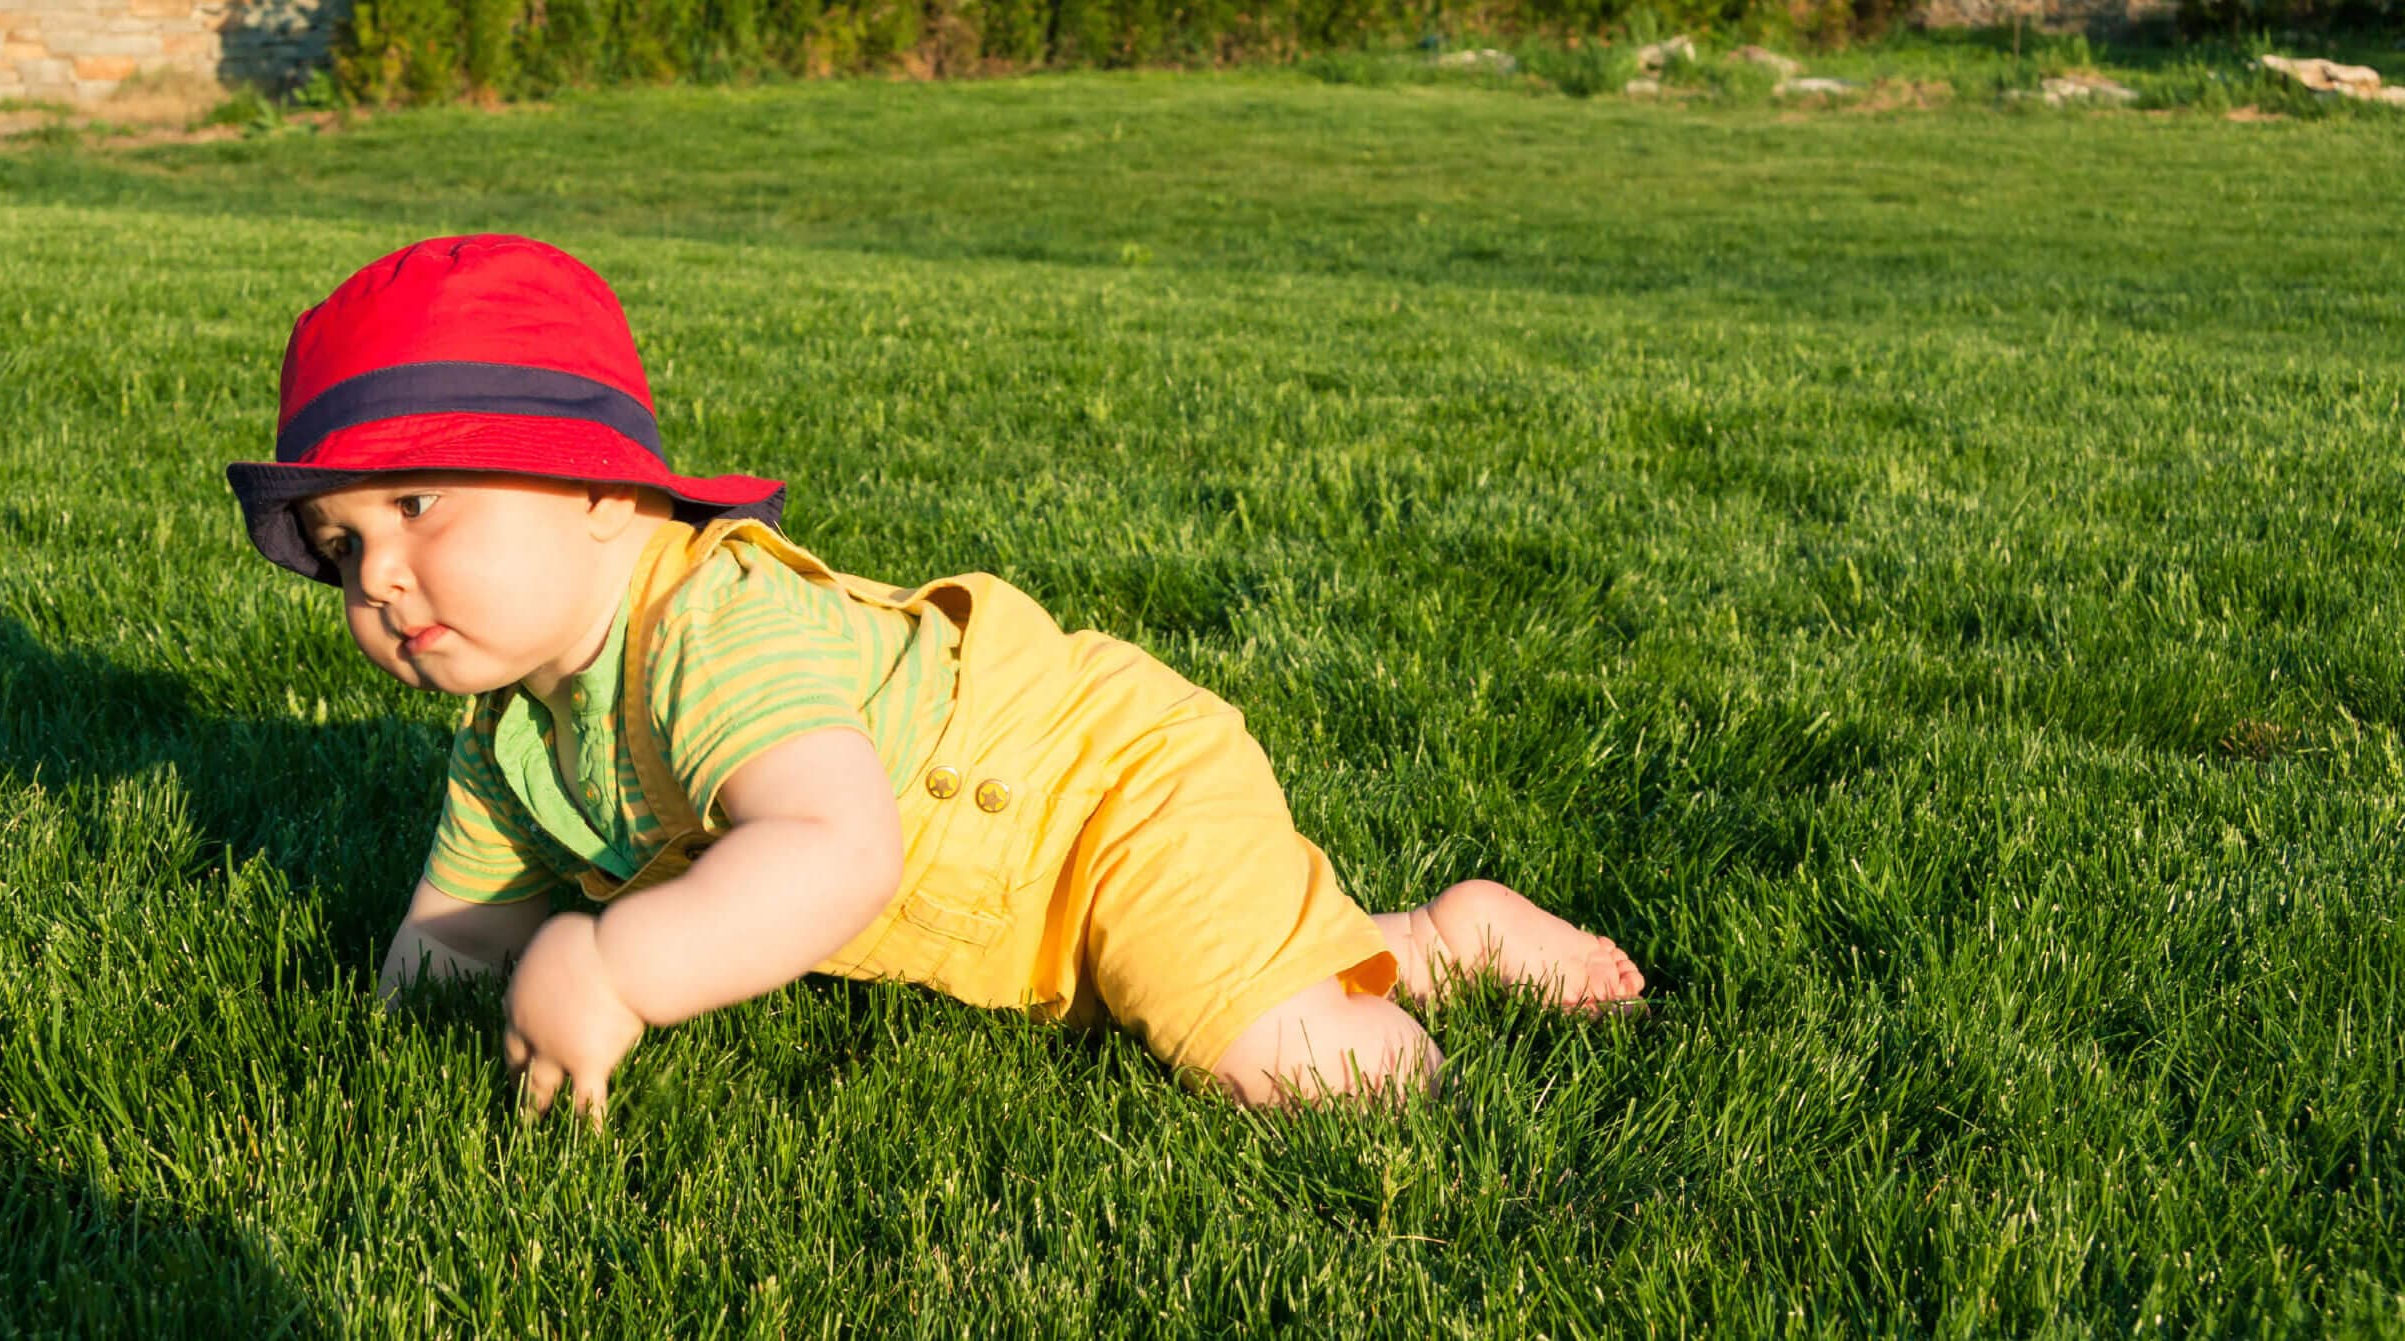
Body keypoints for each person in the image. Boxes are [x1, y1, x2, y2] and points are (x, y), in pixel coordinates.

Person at [226, 235, 1644, 1121]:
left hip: (1105, 794)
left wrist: (611, 961)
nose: (378, 579)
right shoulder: (511, 739)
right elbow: (459, 932)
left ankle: (1428, 1063)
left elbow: (832, 852)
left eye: (418, 508)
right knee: (1137, 985)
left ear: (605, 495)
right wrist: (402, 1026)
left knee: (1276, 1061)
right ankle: (1448, 937)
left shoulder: (717, 629)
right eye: (343, 545)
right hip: (1019, 914)